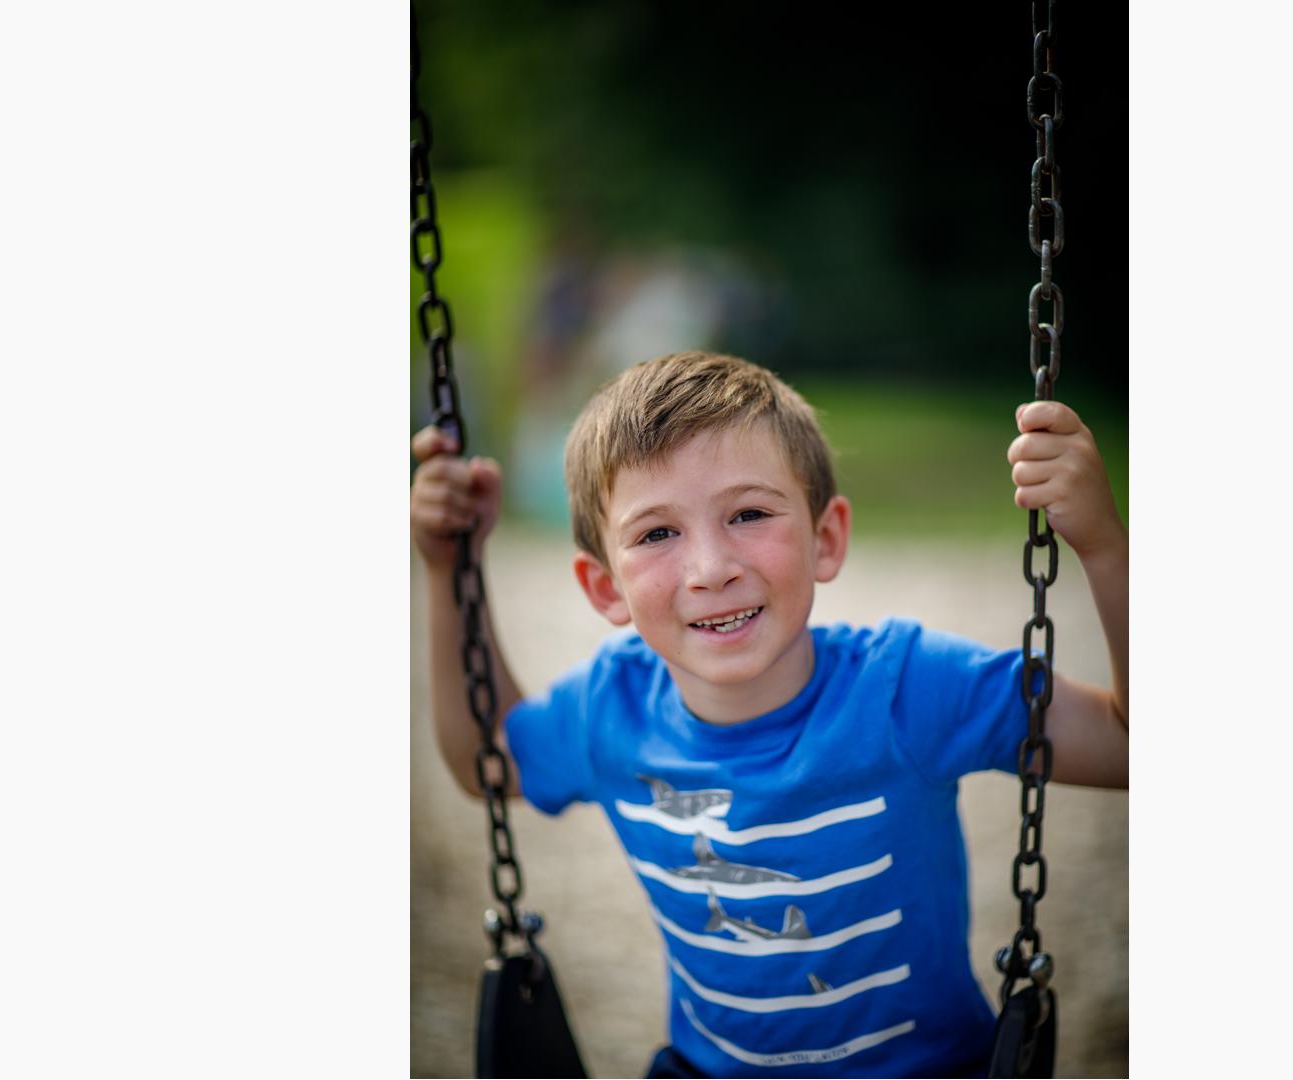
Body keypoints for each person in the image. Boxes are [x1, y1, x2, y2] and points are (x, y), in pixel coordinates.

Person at [411, 351, 1128, 1078]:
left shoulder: (907, 688)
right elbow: (486, 759)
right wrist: (450, 571)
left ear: (826, 537)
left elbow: (1125, 745)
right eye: (657, 533)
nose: (710, 568)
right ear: (605, 588)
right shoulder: (611, 709)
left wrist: (1102, 546)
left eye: (749, 514)